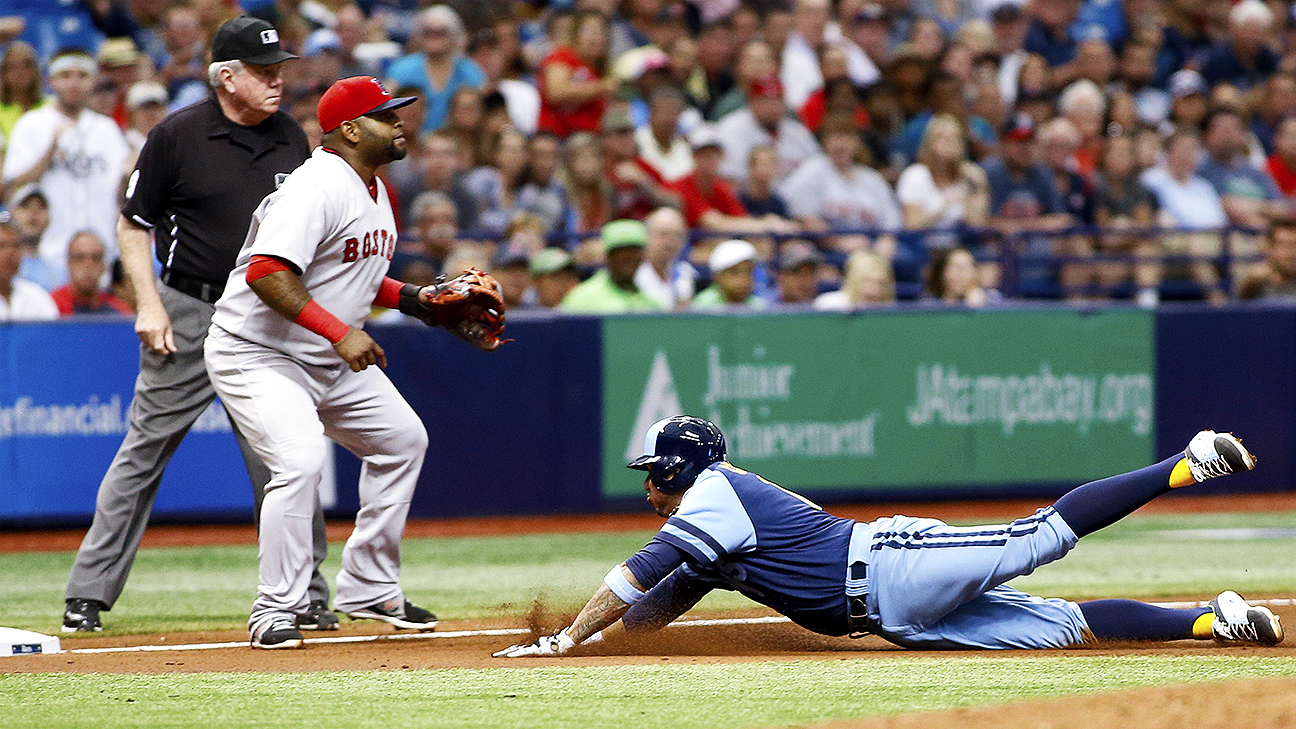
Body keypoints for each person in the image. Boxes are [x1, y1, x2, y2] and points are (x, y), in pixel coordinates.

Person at [495, 416, 1283, 657]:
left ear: (677, 464)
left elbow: (636, 571)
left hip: (890, 565)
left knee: (1041, 534)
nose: (645, 485)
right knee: (1061, 627)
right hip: (893, 618)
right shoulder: (712, 523)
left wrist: (566, 638)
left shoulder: (712, 491)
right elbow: (658, 600)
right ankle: (1217, 621)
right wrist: (612, 638)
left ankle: (1186, 461)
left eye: (650, 470)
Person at [62, 17, 337, 636]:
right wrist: (148, 303)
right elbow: (134, 224)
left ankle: (306, 594)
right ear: (225, 77)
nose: (276, 81)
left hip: (264, 313)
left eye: (280, 70)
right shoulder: (176, 135)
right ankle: (87, 595)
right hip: (186, 307)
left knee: (284, 455)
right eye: (264, 72)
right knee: (144, 450)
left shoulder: (291, 135)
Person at [205, 76, 445, 650]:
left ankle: (368, 585)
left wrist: (416, 300)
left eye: (399, 114)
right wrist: (341, 333)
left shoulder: (375, 189)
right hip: (255, 353)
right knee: (301, 458)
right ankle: (275, 608)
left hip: (319, 356)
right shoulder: (316, 187)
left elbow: (352, 273)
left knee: (403, 440)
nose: (399, 124)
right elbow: (267, 271)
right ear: (352, 129)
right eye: (387, 116)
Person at [2, 47, 130, 283]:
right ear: (51, 81)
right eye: (65, 76)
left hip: (101, 256)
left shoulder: (107, 129)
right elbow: (10, 187)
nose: (74, 83)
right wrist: (49, 150)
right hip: (46, 255)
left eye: (82, 76)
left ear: (93, 81)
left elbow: (122, 194)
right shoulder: (32, 124)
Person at [385, 6, 485, 134]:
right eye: (428, 32)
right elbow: (386, 108)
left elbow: (481, 111)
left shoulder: (470, 71)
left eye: (441, 33)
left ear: (454, 35)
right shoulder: (402, 69)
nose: (434, 37)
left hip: (457, 142)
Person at [560, 219, 665, 313]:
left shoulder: (652, 303)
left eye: (634, 251)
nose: (628, 257)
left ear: (643, 256)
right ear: (607, 256)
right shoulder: (581, 298)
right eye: (620, 251)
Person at [50, 230, 133, 316]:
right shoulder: (52, 307)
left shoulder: (119, 311)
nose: (88, 265)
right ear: (68, 264)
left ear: (104, 265)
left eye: (95, 258)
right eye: (80, 258)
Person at [633, 206, 696, 309]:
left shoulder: (685, 273)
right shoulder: (633, 273)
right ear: (647, 236)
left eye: (677, 235)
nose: (671, 242)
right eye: (663, 234)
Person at [0, 221, 58, 321]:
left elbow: (53, 334)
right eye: (1, 246)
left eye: (15, 246)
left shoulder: (37, 296)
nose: (10, 253)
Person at [691, 239, 765, 309]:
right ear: (717, 276)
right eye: (735, 272)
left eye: (749, 272)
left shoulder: (759, 306)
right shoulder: (703, 305)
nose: (744, 278)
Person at [813, 249, 895, 310]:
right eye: (867, 281)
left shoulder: (891, 314)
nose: (874, 291)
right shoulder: (828, 305)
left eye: (881, 283)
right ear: (853, 280)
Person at [769, 240, 823, 306]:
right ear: (781, 276)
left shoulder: (823, 308)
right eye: (798, 273)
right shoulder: (763, 308)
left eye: (811, 273)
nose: (805, 280)